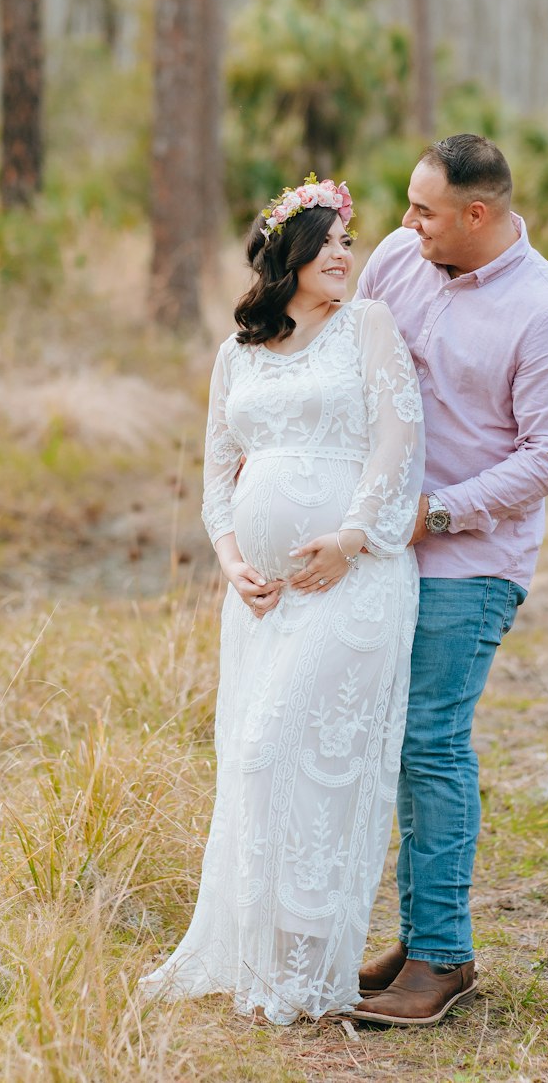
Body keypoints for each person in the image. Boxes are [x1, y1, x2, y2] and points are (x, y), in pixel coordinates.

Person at [139, 176, 424, 1024]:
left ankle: (305, 965)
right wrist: (232, 564)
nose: (345, 254)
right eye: (330, 240)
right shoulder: (240, 351)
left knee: (288, 757)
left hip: (354, 581)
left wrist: (350, 538)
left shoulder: (368, 327)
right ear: (288, 252)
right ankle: (259, 956)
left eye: (350, 240)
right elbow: (216, 479)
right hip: (260, 603)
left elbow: (398, 444)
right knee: (256, 771)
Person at [351, 134, 548, 1027]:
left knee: (432, 740)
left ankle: (445, 958)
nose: (406, 223)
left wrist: (438, 512)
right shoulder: (395, 258)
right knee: (391, 742)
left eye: (425, 211)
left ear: (477, 215)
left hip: (469, 560)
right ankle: (418, 940)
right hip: (375, 550)